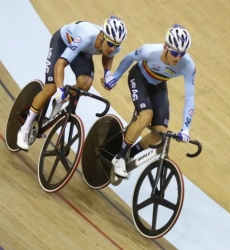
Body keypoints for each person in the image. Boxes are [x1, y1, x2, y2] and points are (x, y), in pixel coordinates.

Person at [17, 16, 128, 151]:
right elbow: (60, 64)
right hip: (63, 42)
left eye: (116, 46)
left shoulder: (114, 46)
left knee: (85, 83)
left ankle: (59, 102)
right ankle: (25, 128)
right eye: (110, 44)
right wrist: (60, 89)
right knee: (51, 88)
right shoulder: (87, 37)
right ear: (101, 36)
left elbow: (108, 56)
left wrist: (107, 74)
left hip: (83, 51)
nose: (112, 48)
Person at [102, 24, 196, 178]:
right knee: (146, 117)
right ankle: (119, 158)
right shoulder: (150, 50)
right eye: (174, 52)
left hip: (159, 85)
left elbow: (190, 97)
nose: (177, 58)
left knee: (160, 134)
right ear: (166, 48)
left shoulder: (188, 65)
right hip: (139, 77)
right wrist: (115, 76)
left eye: (181, 54)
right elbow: (130, 57)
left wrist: (186, 128)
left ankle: (129, 154)